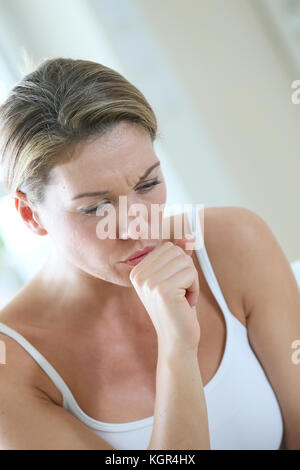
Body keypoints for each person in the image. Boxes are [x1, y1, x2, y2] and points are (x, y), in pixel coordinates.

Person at [0, 58, 293, 450]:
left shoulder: (234, 243)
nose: (140, 225)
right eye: (96, 207)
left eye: (148, 183)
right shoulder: (13, 368)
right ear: (29, 214)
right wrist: (177, 348)